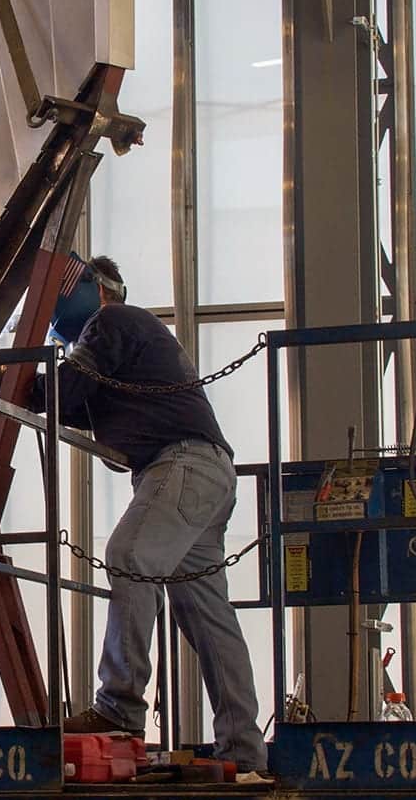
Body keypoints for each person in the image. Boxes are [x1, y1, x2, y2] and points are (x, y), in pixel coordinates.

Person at [36, 255, 267, 773]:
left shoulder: (112, 321)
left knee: (128, 554)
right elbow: (66, 400)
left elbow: (66, 390)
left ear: (94, 288)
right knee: (207, 616)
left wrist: (6, 374)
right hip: (205, 475)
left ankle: (119, 705)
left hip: (181, 465)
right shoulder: (124, 346)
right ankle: (244, 751)